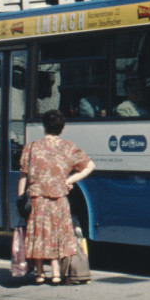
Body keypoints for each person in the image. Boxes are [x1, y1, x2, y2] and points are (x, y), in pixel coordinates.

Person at [17, 109, 95, 285]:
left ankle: (39, 274)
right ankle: (56, 274)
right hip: (59, 198)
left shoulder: (32, 147)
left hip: (38, 198)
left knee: (38, 235)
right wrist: (70, 179)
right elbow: (90, 166)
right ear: (62, 128)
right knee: (57, 235)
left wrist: (21, 198)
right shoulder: (69, 147)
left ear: (44, 127)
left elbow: (23, 176)